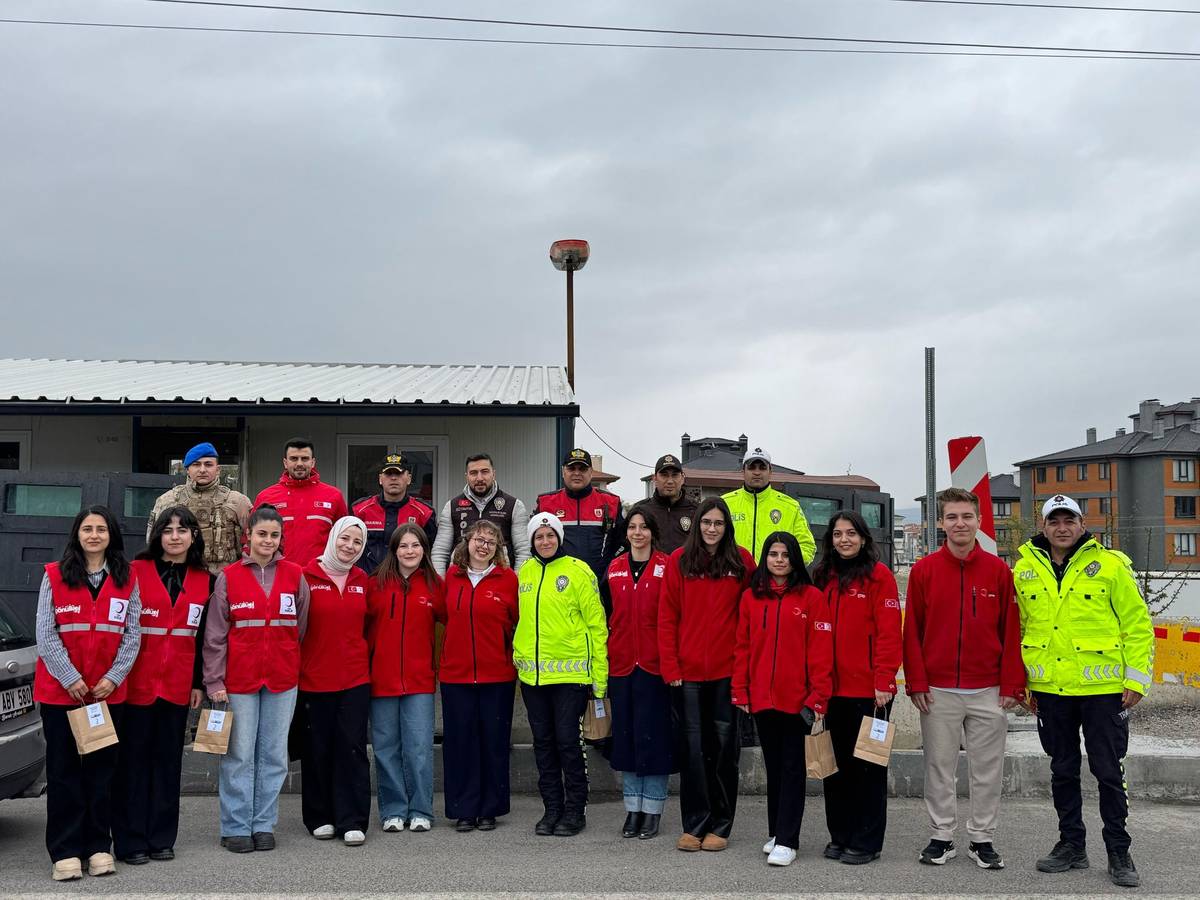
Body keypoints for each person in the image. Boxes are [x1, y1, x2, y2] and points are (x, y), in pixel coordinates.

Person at [1013, 495, 1154, 888]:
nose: (1062, 527)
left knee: (1108, 772)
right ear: (1043, 526)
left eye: (1069, 520)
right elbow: (1019, 630)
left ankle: (1118, 851)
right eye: (1054, 521)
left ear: (1081, 523)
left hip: (1104, 690)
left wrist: (1136, 679)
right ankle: (1072, 845)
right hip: (1050, 689)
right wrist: (1023, 682)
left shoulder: (1110, 565)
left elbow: (1137, 625)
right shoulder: (1023, 570)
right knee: (1062, 771)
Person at [903, 487, 1025, 870]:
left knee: (987, 769)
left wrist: (1011, 684)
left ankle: (981, 839)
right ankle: (941, 836)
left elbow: (1011, 630)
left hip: (988, 689)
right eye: (952, 517)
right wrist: (917, 682)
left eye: (966, 516)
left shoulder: (998, 571)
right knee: (939, 767)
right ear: (941, 523)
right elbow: (913, 632)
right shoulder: (923, 571)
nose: (960, 523)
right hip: (938, 691)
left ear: (979, 521)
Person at [34, 505, 141, 882]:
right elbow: (46, 635)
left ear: (112, 535)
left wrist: (113, 677)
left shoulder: (127, 579)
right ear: (76, 535)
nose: (94, 535)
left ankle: (98, 847)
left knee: (101, 775)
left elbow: (133, 634)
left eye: (101, 529)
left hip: (106, 695)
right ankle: (64, 851)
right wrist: (70, 678)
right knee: (64, 775)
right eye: (87, 529)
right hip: (63, 694)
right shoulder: (54, 576)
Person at [203, 504, 310, 854]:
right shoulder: (229, 577)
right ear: (249, 536)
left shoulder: (295, 575)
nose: (268, 540)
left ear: (281, 539)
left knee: (275, 755)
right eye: (261, 533)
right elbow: (215, 636)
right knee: (239, 755)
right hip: (239, 681)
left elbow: (301, 627)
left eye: (274, 535)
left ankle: (263, 824)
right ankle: (236, 827)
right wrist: (214, 682)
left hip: (282, 678)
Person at [114, 507, 213, 866]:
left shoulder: (206, 579)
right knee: (133, 764)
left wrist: (199, 681)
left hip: (177, 685)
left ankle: (161, 838)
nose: (175, 536)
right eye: (168, 530)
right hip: (136, 683)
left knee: (167, 764)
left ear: (193, 536)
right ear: (157, 535)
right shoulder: (133, 572)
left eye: (182, 530)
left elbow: (204, 637)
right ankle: (129, 840)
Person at [658, 497, 756, 853]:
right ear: (697, 525)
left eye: (718, 523)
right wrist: (671, 666)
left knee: (724, 751)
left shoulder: (742, 562)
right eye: (706, 523)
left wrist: (744, 673)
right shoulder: (679, 562)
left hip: (727, 674)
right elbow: (667, 617)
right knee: (693, 751)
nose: (712, 529)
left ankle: (720, 824)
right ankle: (694, 824)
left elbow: (751, 620)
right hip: (686, 675)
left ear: (726, 526)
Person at [732, 532, 832, 868]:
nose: (779, 560)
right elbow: (743, 647)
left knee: (792, 769)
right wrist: (741, 690)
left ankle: (789, 840)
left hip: (797, 700)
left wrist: (818, 697)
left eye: (785, 554)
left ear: (794, 559)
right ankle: (777, 832)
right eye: (773, 554)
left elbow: (821, 652)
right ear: (765, 558)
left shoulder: (812, 598)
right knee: (774, 769)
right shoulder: (751, 598)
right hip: (762, 698)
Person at [811, 510, 902, 866]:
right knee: (835, 769)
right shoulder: (823, 576)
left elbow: (889, 632)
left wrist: (883, 680)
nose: (844, 539)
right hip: (832, 691)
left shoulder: (879, 577)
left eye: (851, 533)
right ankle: (840, 835)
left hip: (870, 692)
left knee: (867, 768)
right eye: (837, 534)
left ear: (864, 538)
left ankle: (866, 841)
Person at [513, 513, 609, 838]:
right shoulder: (524, 572)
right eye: (539, 537)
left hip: (571, 678)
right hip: (533, 679)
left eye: (550, 535)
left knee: (569, 743)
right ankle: (551, 808)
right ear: (532, 541)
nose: (545, 541)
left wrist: (600, 678)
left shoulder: (578, 571)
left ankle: (574, 809)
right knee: (544, 744)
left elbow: (597, 626)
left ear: (559, 536)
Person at [435, 519, 520, 832]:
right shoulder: (451, 579)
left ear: (498, 548)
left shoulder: (508, 580)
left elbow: (514, 621)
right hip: (456, 676)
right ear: (466, 542)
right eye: (479, 539)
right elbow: (444, 617)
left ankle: (490, 809)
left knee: (493, 743)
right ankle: (464, 809)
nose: (484, 546)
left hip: (496, 675)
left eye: (491, 542)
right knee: (460, 744)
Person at [298, 516, 372, 846]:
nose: (350, 546)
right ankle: (320, 816)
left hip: (355, 678)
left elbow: (367, 627)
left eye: (357, 542)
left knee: (353, 749)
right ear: (332, 538)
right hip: (314, 679)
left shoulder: (362, 579)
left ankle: (352, 818)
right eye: (345, 539)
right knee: (318, 750)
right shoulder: (305, 576)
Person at [601, 509, 673, 840]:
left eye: (644, 527)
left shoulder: (667, 566)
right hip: (622, 664)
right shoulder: (614, 568)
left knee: (653, 738)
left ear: (653, 532)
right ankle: (632, 809)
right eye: (632, 527)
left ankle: (653, 809)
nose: (638, 532)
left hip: (655, 666)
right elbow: (605, 614)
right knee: (628, 737)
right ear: (625, 532)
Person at [365, 524, 443, 834]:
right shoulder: (375, 585)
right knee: (386, 749)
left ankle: (421, 809)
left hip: (420, 681)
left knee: (419, 748)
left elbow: (453, 626)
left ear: (424, 549)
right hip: (381, 680)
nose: (409, 551)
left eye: (415, 545)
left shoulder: (436, 586)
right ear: (393, 550)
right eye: (403, 546)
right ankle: (393, 811)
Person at [146, 442, 251, 575]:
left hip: (224, 578)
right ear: (187, 469)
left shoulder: (238, 502)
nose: (202, 470)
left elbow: (251, 541)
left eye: (208, 464)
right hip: (179, 576)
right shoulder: (167, 500)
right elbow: (152, 540)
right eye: (196, 464)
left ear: (218, 469)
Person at [252, 438, 348, 565]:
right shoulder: (266, 497)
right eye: (293, 459)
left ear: (313, 462)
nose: (299, 464)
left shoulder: (334, 496)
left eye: (304, 458)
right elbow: (250, 539)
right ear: (285, 463)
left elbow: (345, 538)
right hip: (279, 575)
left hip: (320, 576)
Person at [534, 448, 625, 581]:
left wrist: (609, 570)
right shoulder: (546, 503)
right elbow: (534, 543)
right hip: (558, 583)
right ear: (563, 471)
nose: (577, 473)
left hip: (600, 583)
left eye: (582, 469)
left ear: (591, 473)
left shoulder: (611, 502)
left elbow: (623, 544)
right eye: (571, 468)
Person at [431, 453, 530, 574]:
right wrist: (441, 584)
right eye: (473, 473)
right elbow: (440, 552)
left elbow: (524, 551)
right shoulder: (451, 506)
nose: (479, 478)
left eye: (485, 472)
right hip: (460, 580)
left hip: (500, 581)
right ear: (466, 476)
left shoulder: (514, 505)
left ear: (493, 474)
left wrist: (516, 583)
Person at [721, 447, 816, 565]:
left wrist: (782, 565)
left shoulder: (790, 506)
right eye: (751, 467)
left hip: (773, 581)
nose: (757, 472)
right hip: (735, 579)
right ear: (743, 471)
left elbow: (807, 547)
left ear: (770, 472)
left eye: (762, 467)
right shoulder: (725, 503)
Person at [352, 454, 437, 574]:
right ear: (380, 479)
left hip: (407, 583)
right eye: (388, 474)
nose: (393, 478)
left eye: (399, 474)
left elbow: (431, 552)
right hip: (368, 581)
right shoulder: (360, 510)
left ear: (409, 478)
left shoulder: (424, 512)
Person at [629, 454, 698, 554]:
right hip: (651, 569)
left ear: (682, 478)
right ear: (655, 479)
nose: (670, 481)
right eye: (664, 475)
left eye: (675, 475)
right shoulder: (641, 510)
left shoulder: (696, 510)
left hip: (685, 569)